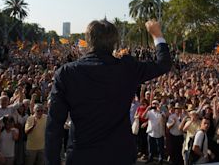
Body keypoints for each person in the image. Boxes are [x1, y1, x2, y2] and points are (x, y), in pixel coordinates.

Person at [45, 19, 172, 165]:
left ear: (89, 40)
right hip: (120, 156)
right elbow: (163, 64)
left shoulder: (67, 73)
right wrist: (157, 35)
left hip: (82, 156)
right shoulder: (127, 68)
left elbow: (54, 125)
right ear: (114, 42)